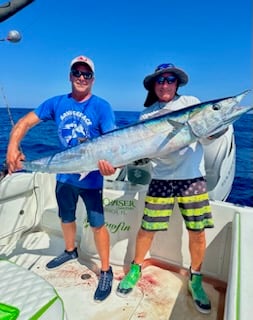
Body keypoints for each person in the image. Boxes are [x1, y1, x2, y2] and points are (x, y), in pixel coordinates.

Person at [6, 55, 117, 302]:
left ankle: (106, 270)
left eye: (86, 74)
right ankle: (70, 251)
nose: (81, 78)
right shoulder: (56, 103)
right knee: (65, 217)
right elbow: (24, 123)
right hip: (64, 174)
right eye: (76, 73)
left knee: (97, 223)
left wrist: (113, 166)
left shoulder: (102, 107)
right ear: (70, 76)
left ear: (93, 79)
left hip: (92, 180)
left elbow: (114, 145)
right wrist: (13, 146)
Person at [116, 63, 215, 314]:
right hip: (161, 178)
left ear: (177, 83)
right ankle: (136, 267)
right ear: (154, 85)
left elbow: (210, 134)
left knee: (197, 231)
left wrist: (218, 119)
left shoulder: (191, 102)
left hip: (192, 178)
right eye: (160, 80)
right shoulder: (147, 115)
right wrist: (126, 159)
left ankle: (196, 278)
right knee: (147, 229)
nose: (165, 84)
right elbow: (143, 153)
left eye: (170, 79)